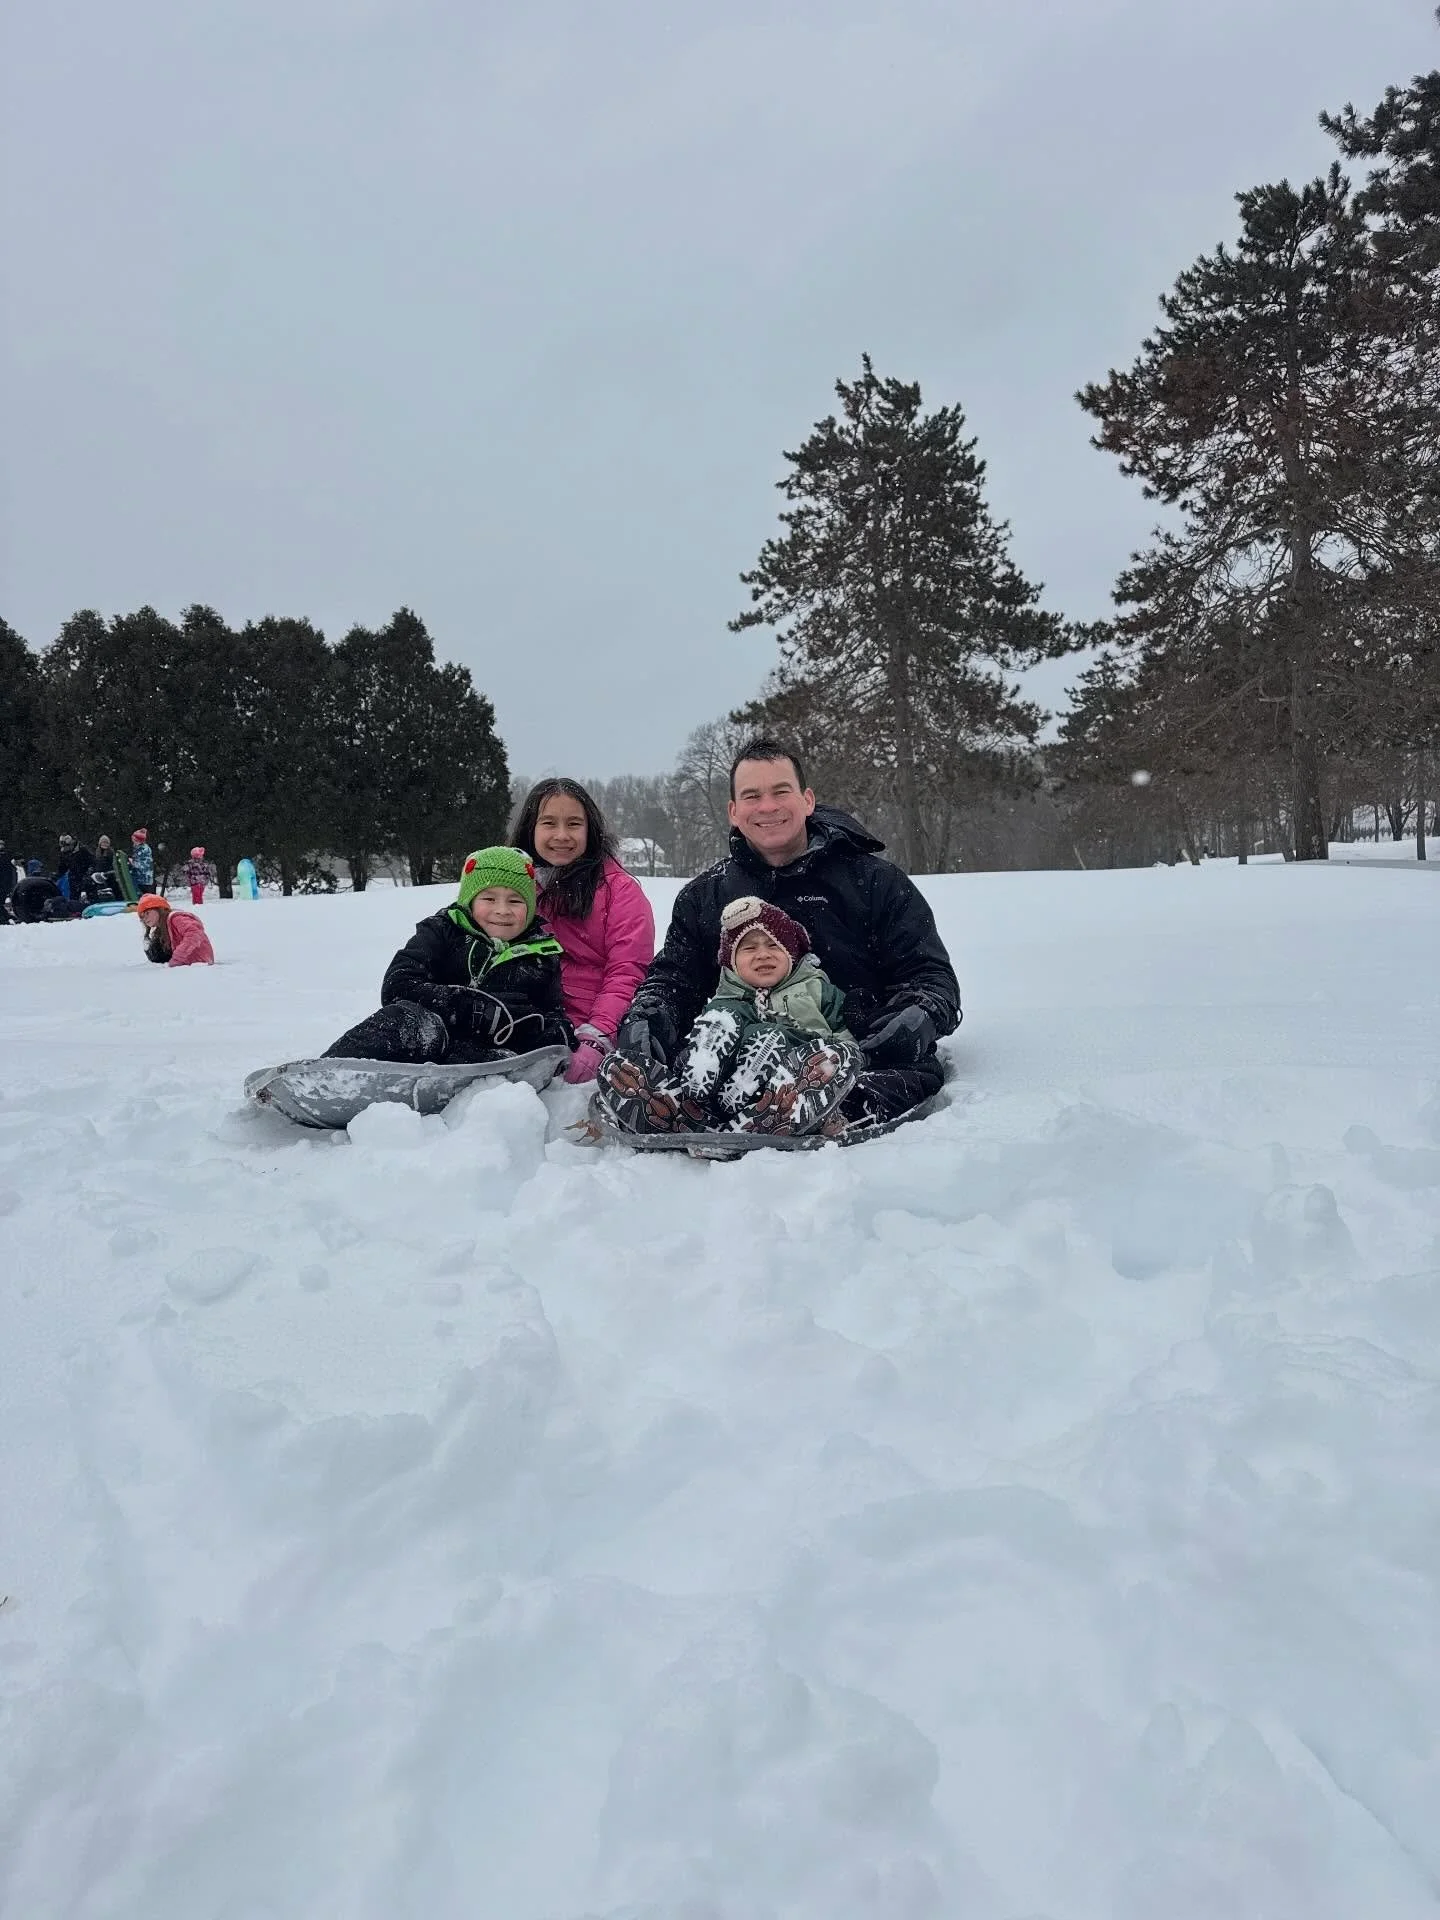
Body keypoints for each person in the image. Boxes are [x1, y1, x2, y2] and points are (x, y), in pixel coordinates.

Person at [601, 738, 961, 1136]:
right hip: (741, 1055)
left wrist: (915, 1019)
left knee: (895, 1077)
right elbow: (674, 980)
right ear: (733, 812)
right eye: (752, 795)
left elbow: (929, 976)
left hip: (853, 1055)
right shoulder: (705, 896)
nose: (767, 807)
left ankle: (812, 1111)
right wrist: (647, 1022)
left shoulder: (875, 882)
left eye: (780, 791)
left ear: (807, 800)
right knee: (688, 1052)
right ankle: (677, 1105)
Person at [605, 896, 860, 1136]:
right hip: (727, 1083)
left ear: (791, 954)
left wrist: (845, 1062)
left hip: (797, 1080)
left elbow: (845, 1036)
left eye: (774, 945)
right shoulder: (728, 998)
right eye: (749, 948)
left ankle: (767, 1100)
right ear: (733, 963)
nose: (763, 954)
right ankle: (688, 1097)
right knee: (722, 1017)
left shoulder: (816, 988)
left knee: (770, 1035)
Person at [323, 846, 573, 1065]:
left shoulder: (542, 955)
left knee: (507, 1057)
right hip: (429, 1036)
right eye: (489, 898)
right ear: (469, 901)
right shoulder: (442, 931)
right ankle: (335, 1070)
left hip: (491, 1053)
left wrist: (551, 1031)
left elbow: (553, 1011)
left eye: (515, 901)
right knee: (406, 1023)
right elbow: (396, 986)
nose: (502, 910)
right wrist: (464, 1004)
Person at [510, 778, 655, 1084]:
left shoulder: (621, 892)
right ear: (530, 829)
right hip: (524, 1022)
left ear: (590, 830)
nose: (561, 835)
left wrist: (597, 1035)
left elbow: (628, 972)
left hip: (591, 1028)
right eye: (549, 823)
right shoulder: (512, 889)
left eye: (574, 824)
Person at [137, 893, 215, 966]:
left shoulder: (176, 918)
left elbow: (194, 933)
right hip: (187, 964)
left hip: (199, 963)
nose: (145, 918)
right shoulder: (162, 928)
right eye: (142, 917)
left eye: (147, 913)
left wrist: (177, 958)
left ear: (160, 909)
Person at [55, 833, 94, 903]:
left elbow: (92, 863)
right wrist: (56, 876)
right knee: (74, 901)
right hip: (73, 880)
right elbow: (62, 868)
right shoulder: (64, 853)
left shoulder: (83, 850)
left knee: (86, 899)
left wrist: (88, 875)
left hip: (85, 878)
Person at [0, 839, 15, 923]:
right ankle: (5, 917)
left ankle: (5, 918)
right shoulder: (7, 857)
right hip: (5, 884)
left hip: (4, 884)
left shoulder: (5, 857)